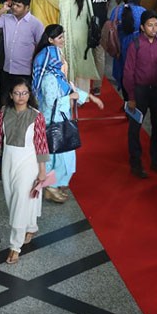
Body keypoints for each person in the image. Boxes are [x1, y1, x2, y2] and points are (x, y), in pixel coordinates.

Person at [32, 24, 104, 202]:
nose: (64, 63)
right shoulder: (50, 78)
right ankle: (50, 187)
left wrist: (89, 98)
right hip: (53, 122)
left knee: (63, 157)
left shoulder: (57, 76)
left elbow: (71, 89)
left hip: (60, 119)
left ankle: (53, 185)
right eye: (62, 60)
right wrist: (70, 97)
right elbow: (50, 102)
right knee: (57, 158)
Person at [0, 78, 48, 264]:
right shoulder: (4, 112)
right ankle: (31, 226)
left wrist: (42, 170)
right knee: (11, 199)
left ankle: (15, 246)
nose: (21, 97)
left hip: (28, 163)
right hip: (8, 161)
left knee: (19, 203)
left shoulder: (36, 116)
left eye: (24, 93)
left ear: (29, 95)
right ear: (10, 95)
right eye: (17, 93)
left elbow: (41, 144)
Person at [123, 10, 157, 179]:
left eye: (156, 25)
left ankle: (156, 160)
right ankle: (135, 162)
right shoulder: (135, 45)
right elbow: (128, 72)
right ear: (142, 27)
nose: (154, 28)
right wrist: (131, 96)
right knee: (135, 127)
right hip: (140, 90)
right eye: (150, 25)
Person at [0, 0, 46, 111]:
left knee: (23, 104)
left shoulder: (35, 24)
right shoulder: (7, 18)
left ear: (27, 7)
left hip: (25, 72)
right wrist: (2, 10)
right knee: (2, 102)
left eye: (18, 6)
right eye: (13, 4)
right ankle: (1, 126)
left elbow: (41, 47)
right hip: (7, 70)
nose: (14, 8)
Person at [59, 0, 99, 88]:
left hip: (69, 39)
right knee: (82, 67)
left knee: (70, 65)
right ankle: (83, 94)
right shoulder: (87, 0)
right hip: (84, 39)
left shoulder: (64, 1)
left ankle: (70, 91)